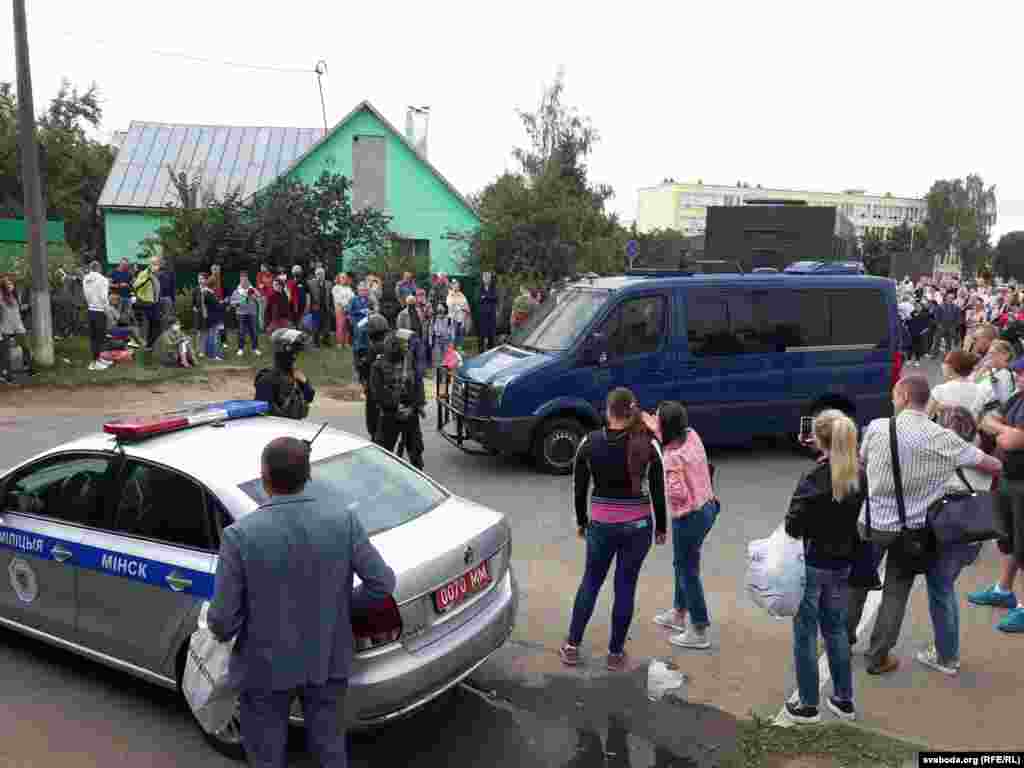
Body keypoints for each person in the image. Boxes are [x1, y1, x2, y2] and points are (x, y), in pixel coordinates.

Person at [207, 436, 395, 768]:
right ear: (308, 475)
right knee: (330, 750)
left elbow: (222, 621)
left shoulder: (239, 536)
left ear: (264, 477)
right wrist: (339, 608)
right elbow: (382, 583)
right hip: (328, 658)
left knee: (265, 755)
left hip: (263, 668)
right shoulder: (344, 521)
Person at [847, 375, 1002, 676]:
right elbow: (992, 465)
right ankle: (878, 657)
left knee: (857, 584)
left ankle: (842, 640)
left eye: (894, 394)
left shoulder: (878, 428)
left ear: (904, 397)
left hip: (872, 524)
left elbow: (863, 463)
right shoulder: (944, 439)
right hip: (912, 531)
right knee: (896, 593)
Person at [559, 387, 668, 672]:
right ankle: (615, 653)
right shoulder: (649, 444)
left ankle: (572, 646)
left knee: (591, 582)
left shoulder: (589, 442)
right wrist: (661, 527)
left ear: (608, 412)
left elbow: (580, 487)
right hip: (639, 527)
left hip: (601, 526)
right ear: (632, 411)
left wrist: (582, 521)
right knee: (625, 586)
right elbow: (659, 491)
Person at [779, 410, 863, 724]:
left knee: (805, 634)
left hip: (812, 563)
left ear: (820, 440)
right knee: (836, 630)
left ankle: (808, 704)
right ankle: (844, 699)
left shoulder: (814, 477)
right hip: (842, 563)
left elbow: (792, 525)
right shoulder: (857, 474)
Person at [647, 401, 719, 650]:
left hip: (689, 517)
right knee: (683, 563)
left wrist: (669, 480)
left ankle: (698, 629)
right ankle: (679, 612)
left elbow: (677, 495)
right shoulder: (691, 435)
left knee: (687, 570)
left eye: (657, 420)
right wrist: (654, 425)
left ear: (665, 428)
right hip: (708, 507)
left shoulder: (671, 458)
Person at [977, 357, 1024, 633]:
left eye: (1023, 373)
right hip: (1008, 477)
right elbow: (986, 421)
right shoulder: (1017, 398)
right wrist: (1007, 430)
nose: (1018, 377)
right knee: (1008, 540)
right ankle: (1003, 590)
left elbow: (1011, 440)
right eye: (1018, 372)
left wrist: (1004, 432)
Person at [369, 327, 426, 470]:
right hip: (389, 415)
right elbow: (378, 393)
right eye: (403, 345)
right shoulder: (378, 366)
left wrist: (414, 406)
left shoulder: (410, 362)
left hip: (410, 414)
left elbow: (418, 385)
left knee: (416, 453)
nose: (406, 347)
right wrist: (395, 405)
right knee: (383, 455)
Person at [254, 328, 315, 419]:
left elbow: (309, 397)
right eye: (294, 352)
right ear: (285, 350)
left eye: (297, 352)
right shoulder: (267, 379)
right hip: (278, 426)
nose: (296, 356)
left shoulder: (295, 375)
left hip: (293, 425)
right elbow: (263, 413)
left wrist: (305, 382)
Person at [926, 351, 984, 421]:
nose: (942, 366)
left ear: (951, 367)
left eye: (945, 362)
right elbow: (979, 418)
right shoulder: (980, 390)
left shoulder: (940, 390)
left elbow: (926, 417)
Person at [0, 276, 34, 382]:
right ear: (3, 286)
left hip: (18, 326)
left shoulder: (14, 297)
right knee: (5, 353)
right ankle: (6, 374)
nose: (11, 286)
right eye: (8, 284)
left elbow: (17, 310)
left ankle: (28, 367)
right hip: (5, 327)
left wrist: (26, 307)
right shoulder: (0, 298)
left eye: (11, 283)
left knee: (26, 346)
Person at [362, 314, 391, 439]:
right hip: (390, 393)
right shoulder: (390, 346)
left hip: (374, 392)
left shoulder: (373, 349)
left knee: (374, 427)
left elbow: (364, 369)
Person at [83, 261, 111, 371]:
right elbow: (104, 297)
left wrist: (90, 304)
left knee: (94, 337)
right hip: (100, 310)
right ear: (99, 268)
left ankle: (98, 359)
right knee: (100, 338)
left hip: (91, 309)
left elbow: (86, 294)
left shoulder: (86, 278)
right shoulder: (103, 279)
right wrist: (107, 310)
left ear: (91, 268)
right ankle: (96, 362)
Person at [132, 256, 162, 349]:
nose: (157, 266)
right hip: (146, 302)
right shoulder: (145, 273)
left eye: (158, 264)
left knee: (155, 324)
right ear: (150, 264)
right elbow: (135, 285)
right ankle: (149, 344)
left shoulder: (154, 275)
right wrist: (147, 277)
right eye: (155, 264)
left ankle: (151, 344)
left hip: (154, 303)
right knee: (153, 324)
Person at [231, 273, 261, 357]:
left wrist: (256, 297)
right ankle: (240, 349)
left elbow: (260, 298)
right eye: (242, 280)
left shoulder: (253, 289)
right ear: (240, 280)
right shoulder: (237, 291)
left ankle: (255, 348)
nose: (244, 281)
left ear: (248, 280)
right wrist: (239, 302)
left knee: (253, 331)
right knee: (241, 331)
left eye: (245, 279)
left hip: (252, 313)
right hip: (241, 314)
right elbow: (232, 303)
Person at [306, 267, 332, 347]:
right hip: (315, 308)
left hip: (326, 307)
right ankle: (315, 342)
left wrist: (330, 307)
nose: (320, 276)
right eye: (318, 274)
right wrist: (310, 307)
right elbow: (308, 295)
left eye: (322, 274)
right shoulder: (310, 283)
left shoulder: (329, 283)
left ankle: (326, 340)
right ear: (315, 275)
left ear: (324, 275)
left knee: (327, 326)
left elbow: (330, 296)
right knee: (316, 326)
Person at [478, 271, 498, 353]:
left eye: (488, 277)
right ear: (483, 278)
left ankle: (491, 350)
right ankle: (481, 351)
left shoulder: (493, 287)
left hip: (491, 314)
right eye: (485, 277)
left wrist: (485, 297)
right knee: (482, 334)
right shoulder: (480, 287)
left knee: (491, 333)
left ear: (490, 278)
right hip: (482, 314)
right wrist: (489, 298)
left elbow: (495, 298)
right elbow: (478, 298)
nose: (486, 279)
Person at [447, 279, 470, 348]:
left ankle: (460, 350)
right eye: (454, 285)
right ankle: (452, 351)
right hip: (453, 319)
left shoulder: (462, 295)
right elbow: (450, 305)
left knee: (460, 337)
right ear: (452, 286)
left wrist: (461, 308)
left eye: (457, 285)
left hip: (461, 320)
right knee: (453, 338)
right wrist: (460, 307)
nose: (456, 286)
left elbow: (466, 307)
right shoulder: (449, 295)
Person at [332, 273, 353, 347]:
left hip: (348, 308)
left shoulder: (349, 288)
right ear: (339, 278)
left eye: (345, 277)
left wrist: (349, 306)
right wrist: (344, 305)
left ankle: (346, 342)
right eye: (342, 277)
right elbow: (337, 299)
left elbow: (352, 297)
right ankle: (339, 343)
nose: (344, 279)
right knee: (340, 325)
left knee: (347, 326)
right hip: (339, 308)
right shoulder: (336, 288)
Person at [430, 304, 452, 370]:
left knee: (446, 357)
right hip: (437, 339)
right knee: (438, 358)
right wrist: (430, 340)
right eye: (438, 308)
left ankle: (446, 372)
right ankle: (438, 372)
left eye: (441, 308)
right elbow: (431, 330)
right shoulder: (434, 318)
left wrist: (451, 341)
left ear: (445, 309)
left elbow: (451, 329)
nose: (440, 309)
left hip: (446, 339)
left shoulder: (449, 319)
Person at [256, 263, 274, 332]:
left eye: (262, 267)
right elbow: (260, 286)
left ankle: (270, 327)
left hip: (270, 297)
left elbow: (273, 286)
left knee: (269, 313)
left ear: (266, 268)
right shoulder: (259, 275)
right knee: (262, 313)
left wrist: (266, 287)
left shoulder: (271, 275)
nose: (261, 268)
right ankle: (262, 328)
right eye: (261, 267)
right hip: (262, 297)